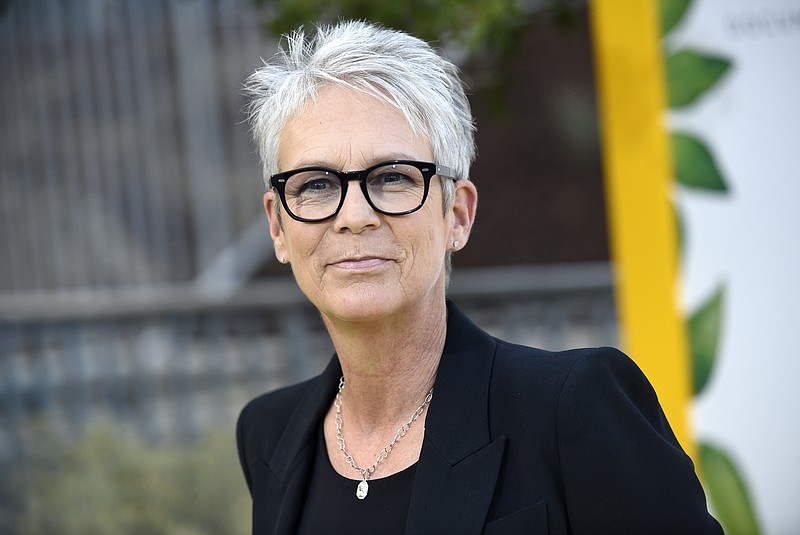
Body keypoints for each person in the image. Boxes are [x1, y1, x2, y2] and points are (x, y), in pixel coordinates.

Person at [236, 20, 722, 535]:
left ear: (458, 215)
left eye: (393, 177)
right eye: (315, 184)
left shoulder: (573, 407)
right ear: (278, 226)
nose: (354, 215)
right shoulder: (269, 435)